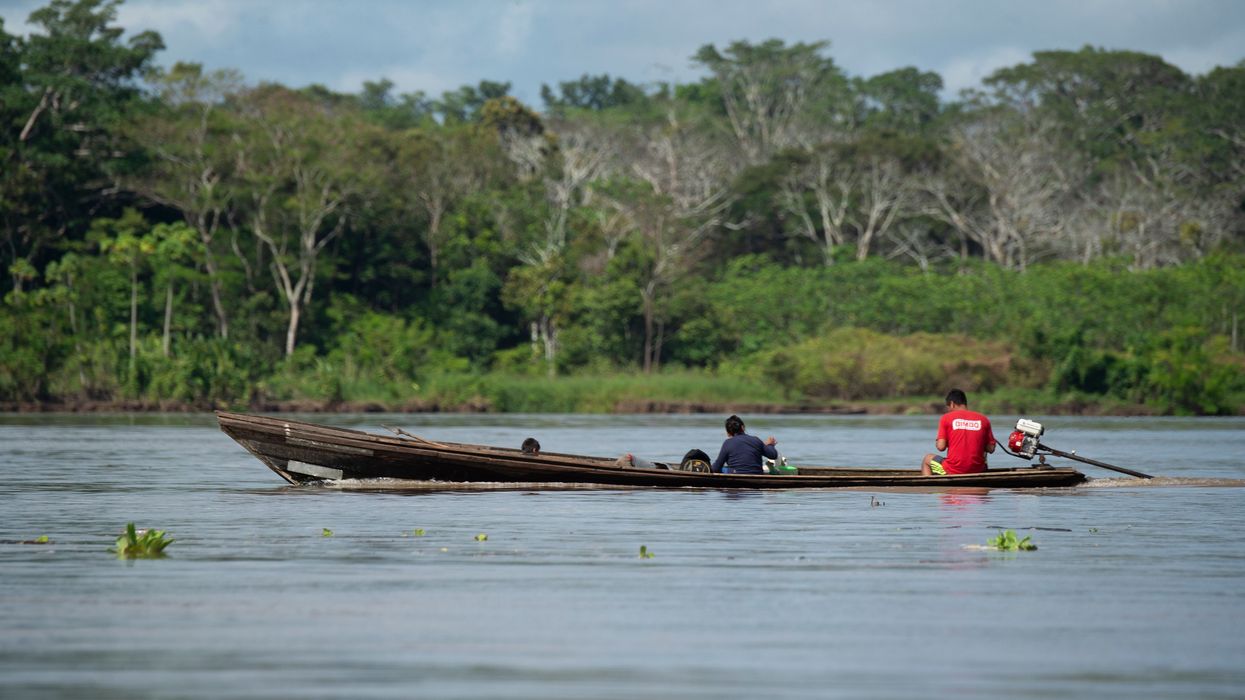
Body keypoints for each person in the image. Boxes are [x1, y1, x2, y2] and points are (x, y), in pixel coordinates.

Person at [922, 389, 996, 476]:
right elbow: (990, 448)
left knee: (926, 459)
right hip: (978, 470)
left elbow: (941, 447)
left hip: (953, 470)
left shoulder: (946, 418)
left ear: (952, 404)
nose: (948, 410)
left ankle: (927, 486)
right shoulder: (983, 419)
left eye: (948, 407)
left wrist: (939, 442)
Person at [711, 414, 777, 474]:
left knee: (722, 469)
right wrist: (770, 445)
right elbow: (773, 455)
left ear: (728, 433)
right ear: (743, 427)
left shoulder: (728, 443)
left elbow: (716, 468)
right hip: (757, 473)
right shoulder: (756, 440)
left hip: (736, 474)